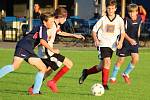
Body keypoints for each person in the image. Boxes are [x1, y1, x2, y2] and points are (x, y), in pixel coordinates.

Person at [28, 7, 85, 94]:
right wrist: (50, 48)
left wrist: (74, 35)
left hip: (47, 52)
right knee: (69, 63)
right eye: (65, 18)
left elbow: (60, 32)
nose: (65, 20)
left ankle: (33, 88)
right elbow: (42, 38)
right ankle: (52, 82)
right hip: (47, 52)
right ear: (60, 17)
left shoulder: (55, 24)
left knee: (48, 71)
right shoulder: (51, 25)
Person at [0, 12, 59, 95]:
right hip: (23, 47)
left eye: (53, 21)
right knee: (15, 66)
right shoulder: (43, 28)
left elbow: (36, 39)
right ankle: (35, 91)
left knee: (43, 68)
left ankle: (35, 92)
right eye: (51, 21)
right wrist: (52, 50)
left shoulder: (42, 28)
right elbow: (42, 41)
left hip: (28, 49)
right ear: (44, 22)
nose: (53, 24)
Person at [79, 0, 125, 90]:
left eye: (112, 8)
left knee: (101, 67)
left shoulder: (119, 20)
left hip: (112, 46)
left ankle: (86, 72)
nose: (110, 10)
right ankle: (104, 84)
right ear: (106, 9)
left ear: (115, 9)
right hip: (103, 44)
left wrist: (121, 42)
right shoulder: (103, 19)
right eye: (109, 8)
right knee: (107, 62)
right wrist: (96, 39)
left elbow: (122, 32)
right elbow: (94, 30)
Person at [110, 3, 142, 84]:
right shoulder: (125, 20)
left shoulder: (139, 18)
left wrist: (138, 36)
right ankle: (113, 77)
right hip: (125, 42)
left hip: (134, 42)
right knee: (121, 60)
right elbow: (123, 32)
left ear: (136, 12)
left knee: (136, 58)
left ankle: (126, 73)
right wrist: (129, 40)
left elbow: (138, 27)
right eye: (129, 12)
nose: (131, 13)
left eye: (133, 12)